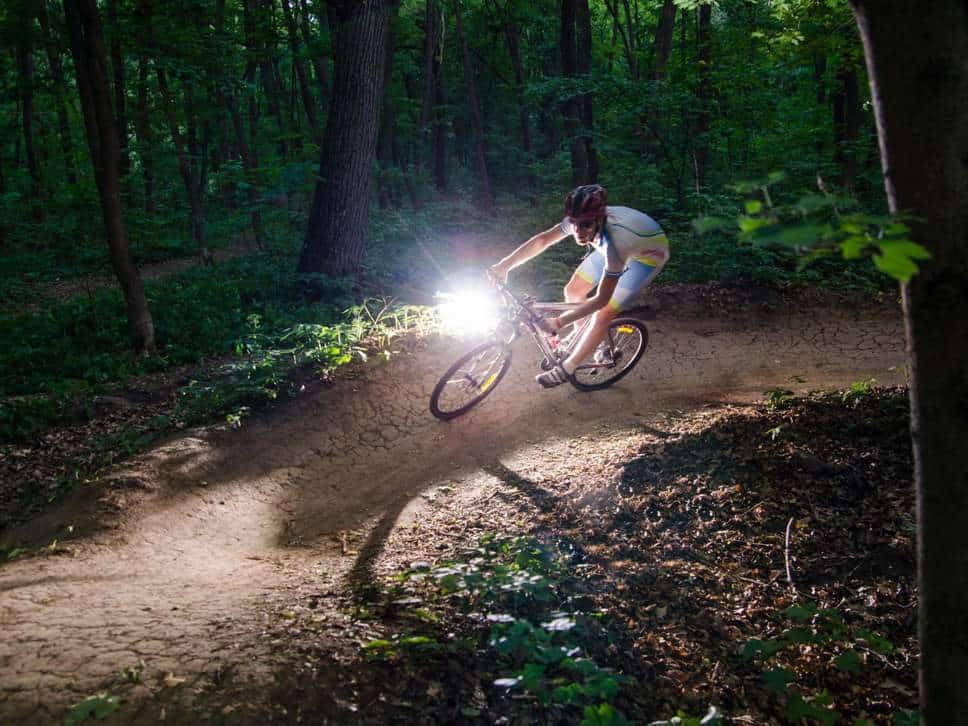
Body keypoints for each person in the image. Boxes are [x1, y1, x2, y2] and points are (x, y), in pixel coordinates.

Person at [489, 184, 670, 388]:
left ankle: (568, 368)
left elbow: (601, 299)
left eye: (585, 225)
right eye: (574, 223)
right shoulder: (580, 219)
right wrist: (504, 265)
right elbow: (542, 241)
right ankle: (594, 341)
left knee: (604, 313)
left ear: (599, 220)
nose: (578, 231)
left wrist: (559, 322)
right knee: (573, 290)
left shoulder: (617, 244)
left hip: (647, 257)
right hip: (619, 244)